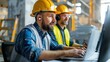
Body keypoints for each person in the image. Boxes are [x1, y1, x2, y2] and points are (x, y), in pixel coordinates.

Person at [10, 0, 85, 62]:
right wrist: (67, 53)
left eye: (55, 17)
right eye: (50, 16)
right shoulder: (27, 32)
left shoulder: (46, 35)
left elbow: (56, 47)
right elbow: (33, 53)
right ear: (39, 18)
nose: (54, 21)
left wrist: (75, 50)